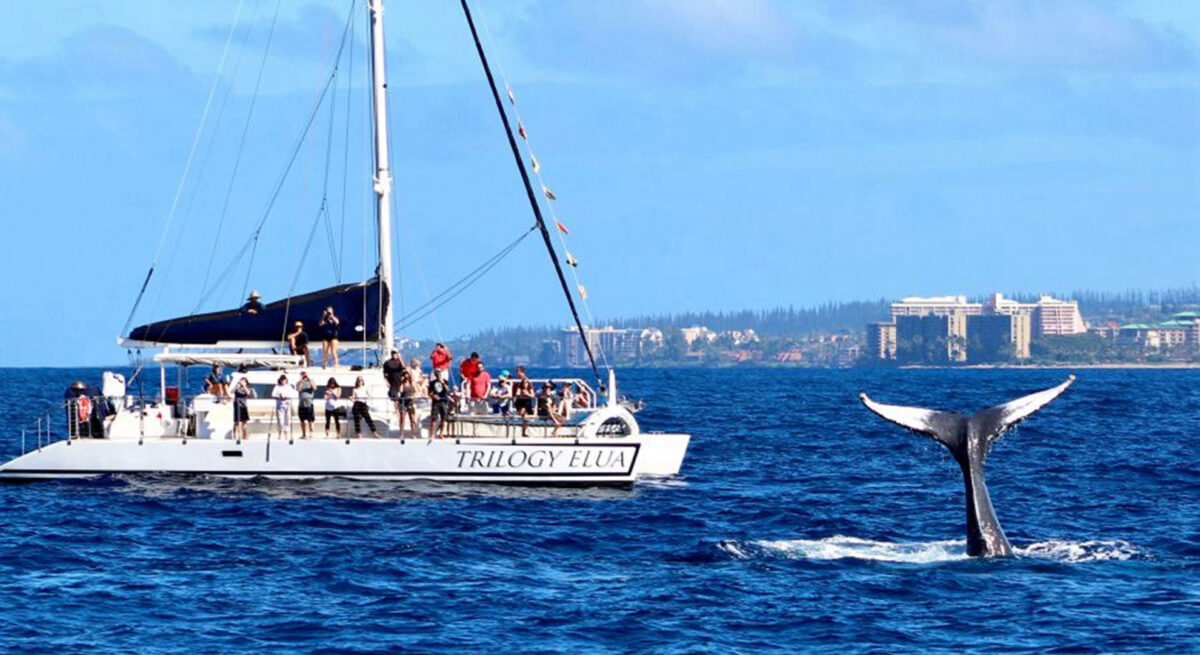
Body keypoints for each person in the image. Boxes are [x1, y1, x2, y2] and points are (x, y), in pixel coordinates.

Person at [271, 375, 297, 441]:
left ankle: (286, 435)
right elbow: (273, 394)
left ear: (286, 380)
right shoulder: (277, 387)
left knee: (287, 420)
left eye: (284, 380)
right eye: (282, 380)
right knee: (280, 420)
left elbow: (293, 394)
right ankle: (279, 435)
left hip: (287, 405)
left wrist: (286, 396)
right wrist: (279, 396)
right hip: (280, 405)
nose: (283, 381)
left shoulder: (289, 387)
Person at [428, 374, 454, 439]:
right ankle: (432, 434)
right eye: (437, 373)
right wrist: (433, 396)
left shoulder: (445, 381)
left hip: (443, 401)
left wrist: (442, 382)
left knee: (443, 419)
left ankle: (441, 433)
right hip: (436, 402)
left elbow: (447, 390)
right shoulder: (432, 383)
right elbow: (429, 392)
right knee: (434, 418)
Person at [513, 366, 535, 436]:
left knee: (526, 416)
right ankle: (523, 432)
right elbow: (517, 393)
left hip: (527, 401)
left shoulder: (528, 381)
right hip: (520, 401)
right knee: (524, 414)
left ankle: (524, 431)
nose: (517, 373)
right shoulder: (517, 382)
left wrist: (527, 394)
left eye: (518, 372)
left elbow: (532, 395)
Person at [233, 377, 254, 441]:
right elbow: (232, 391)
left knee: (244, 423)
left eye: (244, 381)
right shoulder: (237, 388)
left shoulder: (247, 389)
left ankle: (245, 437)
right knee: (236, 422)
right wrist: (237, 385)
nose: (242, 382)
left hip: (243, 406)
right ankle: (235, 437)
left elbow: (248, 393)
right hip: (237, 406)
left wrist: (244, 386)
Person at [296, 371, 316, 439]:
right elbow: (298, 389)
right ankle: (303, 434)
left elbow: (314, 388)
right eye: (302, 374)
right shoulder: (299, 382)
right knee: (302, 420)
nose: (304, 375)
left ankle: (311, 433)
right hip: (301, 404)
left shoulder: (311, 381)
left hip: (309, 404)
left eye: (305, 374)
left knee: (310, 420)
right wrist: (301, 380)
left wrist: (309, 379)